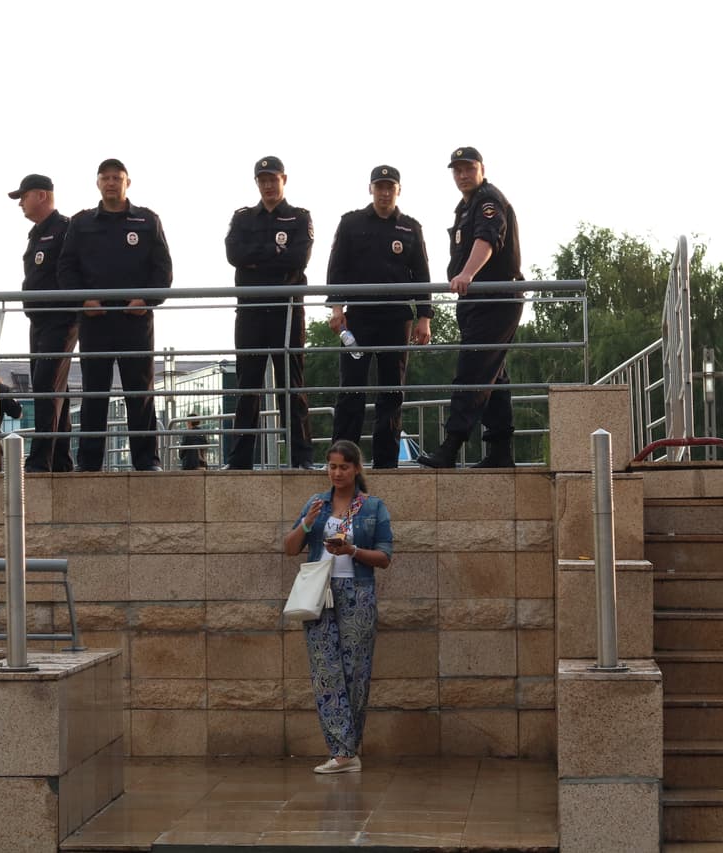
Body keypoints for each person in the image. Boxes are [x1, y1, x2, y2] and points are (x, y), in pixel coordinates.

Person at [282, 439, 392, 774]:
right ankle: (343, 752)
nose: (337, 472)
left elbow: (385, 557)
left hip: (357, 592)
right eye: (332, 466)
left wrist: (353, 551)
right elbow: (289, 548)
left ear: (357, 469)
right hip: (321, 593)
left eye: (344, 466)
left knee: (355, 671)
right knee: (325, 672)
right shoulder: (317, 504)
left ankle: (347, 749)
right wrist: (306, 524)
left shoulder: (373, 508)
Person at [57, 159, 172, 472]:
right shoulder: (80, 223)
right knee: (95, 393)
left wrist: (147, 299)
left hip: (136, 319)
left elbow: (163, 269)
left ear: (127, 183)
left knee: (140, 393)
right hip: (96, 320)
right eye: (105, 178)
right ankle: (89, 463)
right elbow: (66, 269)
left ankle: (147, 461)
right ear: (98, 183)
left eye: (116, 178)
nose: (111, 183)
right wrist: (83, 301)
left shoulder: (147, 221)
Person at [418, 147, 524, 469]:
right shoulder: (464, 207)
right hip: (476, 302)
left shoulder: (488, 201)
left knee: (472, 372)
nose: (462, 175)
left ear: (481, 169)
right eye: (457, 170)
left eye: (468, 168)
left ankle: (451, 447)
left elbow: (486, 240)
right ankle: (500, 450)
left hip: (495, 298)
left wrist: (467, 273)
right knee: (494, 375)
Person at [326, 165, 433, 469]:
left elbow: (422, 274)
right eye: (379, 187)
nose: (385, 193)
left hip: (396, 320)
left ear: (398, 191)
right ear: (370, 189)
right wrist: (336, 309)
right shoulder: (351, 223)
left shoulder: (410, 227)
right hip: (357, 319)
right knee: (351, 391)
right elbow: (337, 269)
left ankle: (387, 463)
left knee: (391, 392)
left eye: (390, 187)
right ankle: (342, 462)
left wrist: (424, 316)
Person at [224, 156, 314, 470]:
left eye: (272, 179)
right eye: (262, 180)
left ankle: (301, 457)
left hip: (286, 311)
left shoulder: (299, 218)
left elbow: (298, 258)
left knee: (291, 384)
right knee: (247, 386)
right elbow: (234, 254)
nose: (267, 185)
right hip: (250, 311)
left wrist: (257, 257)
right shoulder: (244, 217)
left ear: (283, 180)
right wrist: (274, 253)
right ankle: (239, 461)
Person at [11, 173, 77, 473]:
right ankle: (60, 458)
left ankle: (41, 459)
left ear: (41, 195)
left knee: (46, 385)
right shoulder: (37, 233)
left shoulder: (64, 229)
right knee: (52, 388)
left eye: (23, 197)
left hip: (60, 318)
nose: (21, 204)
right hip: (38, 319)